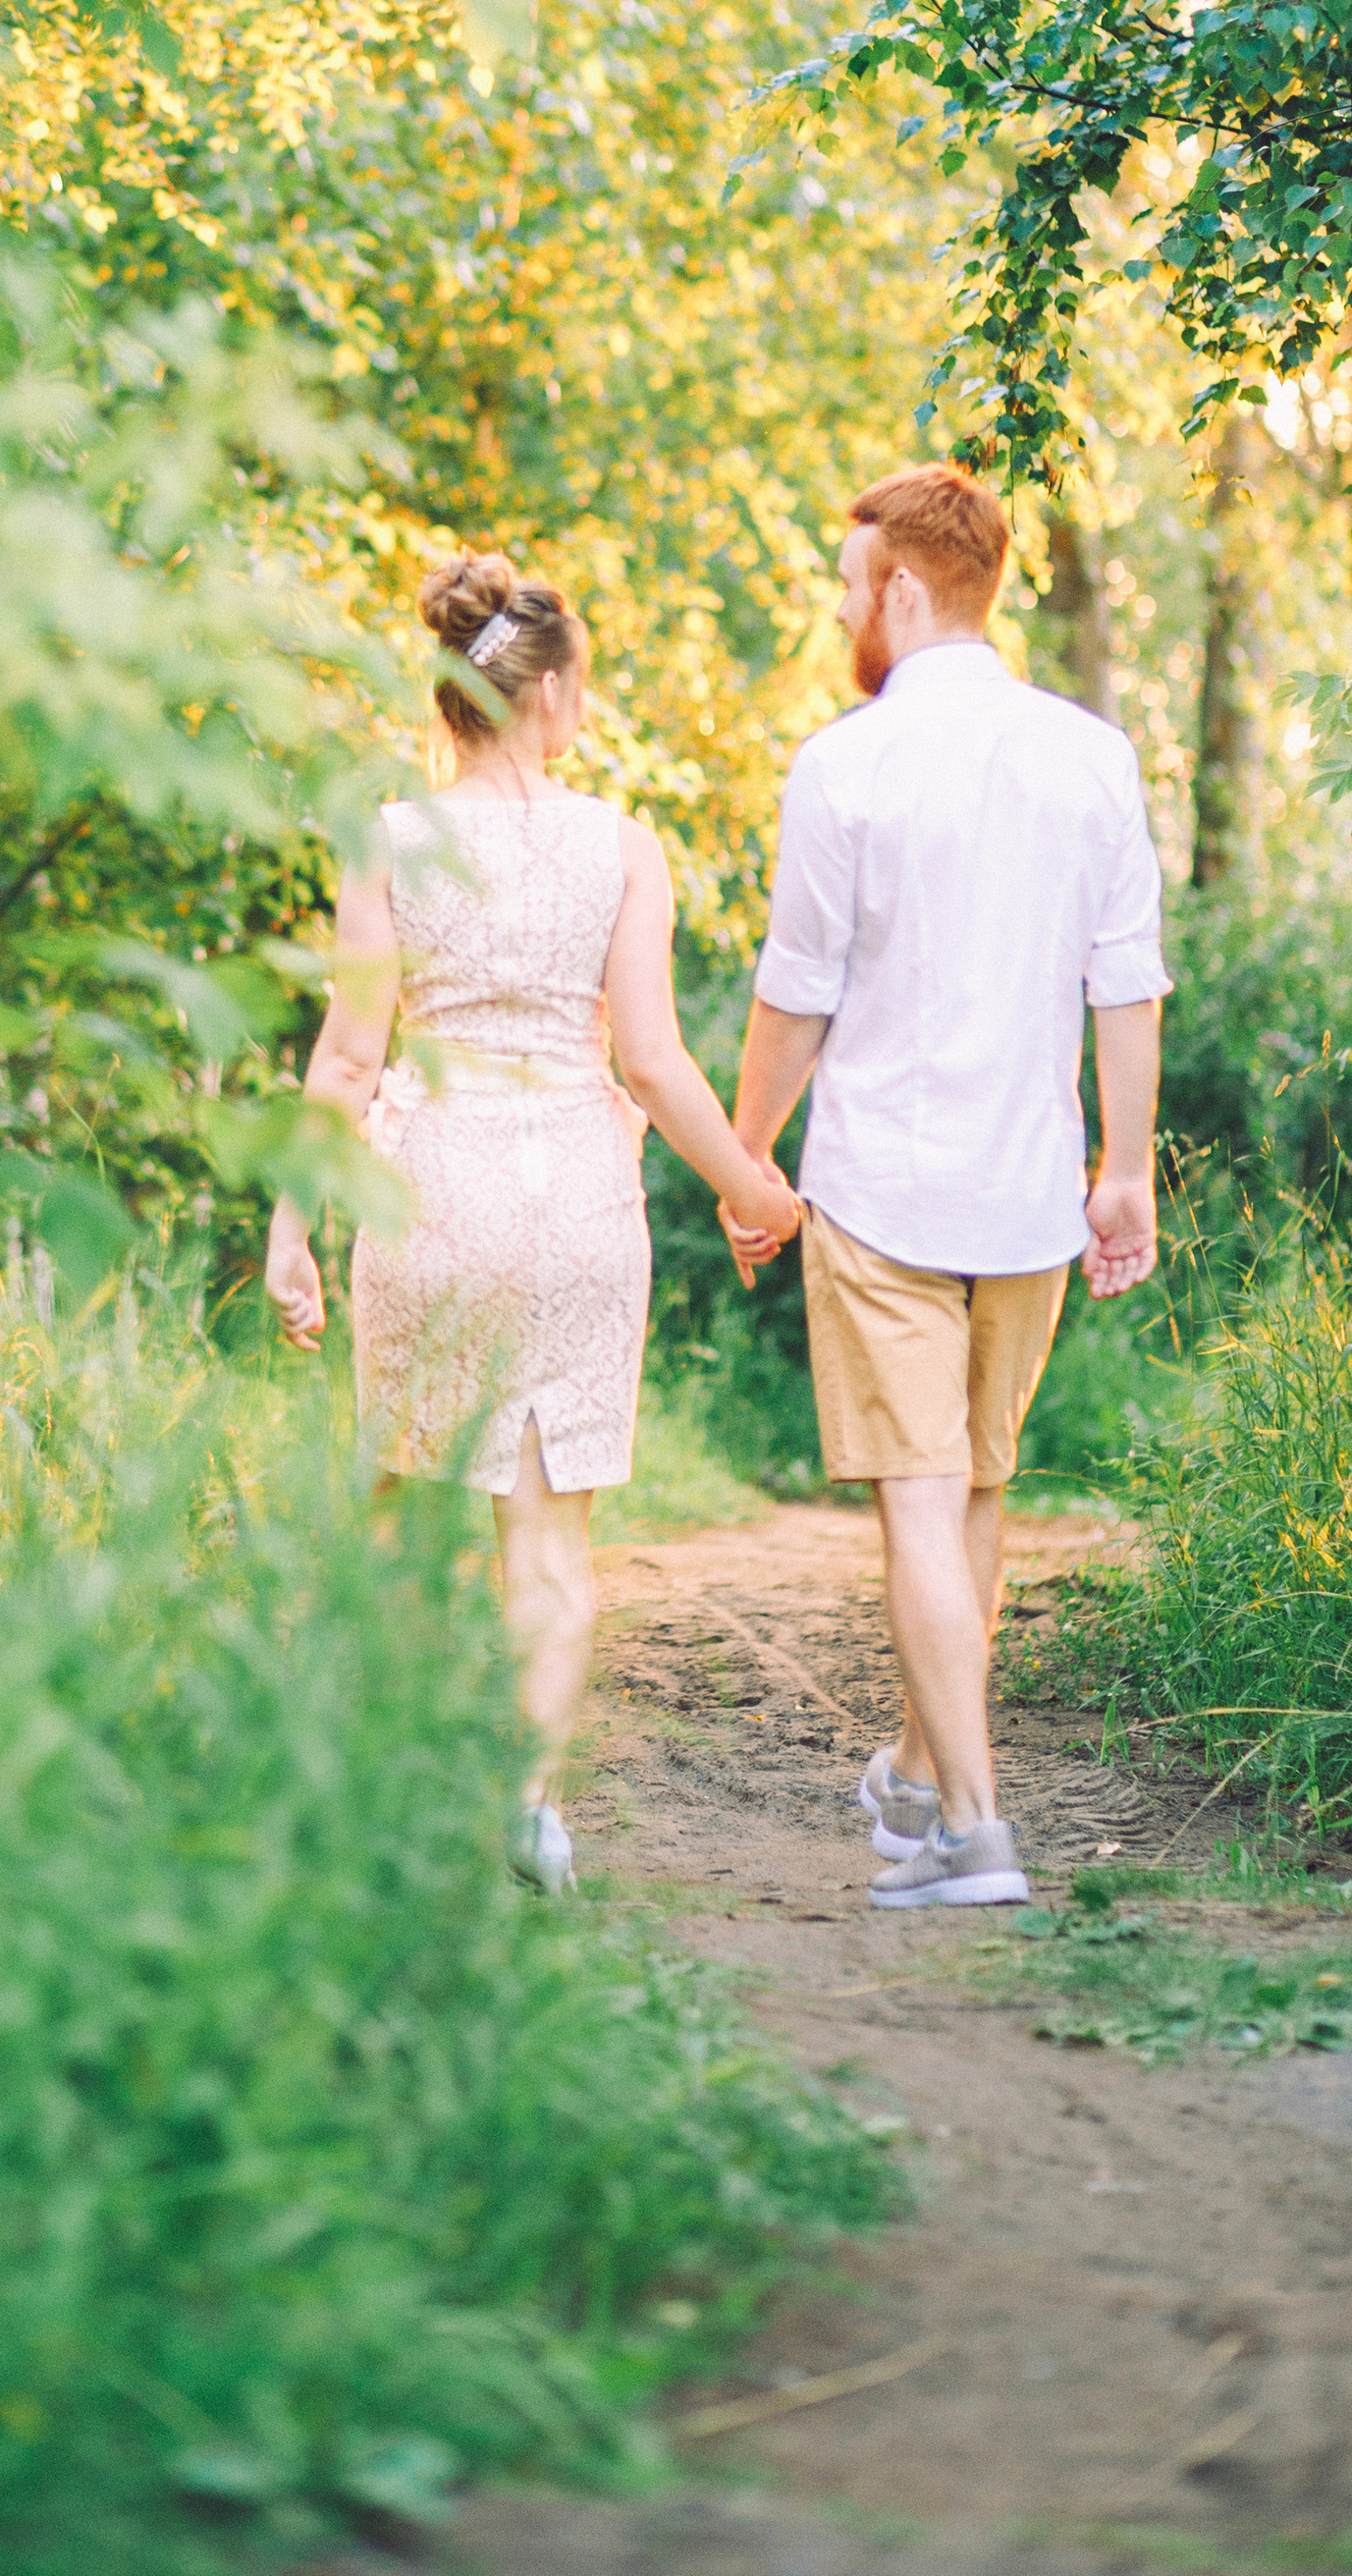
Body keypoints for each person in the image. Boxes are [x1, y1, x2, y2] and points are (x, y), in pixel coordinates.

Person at [264, 548, 800, 1892]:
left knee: (400, 1501)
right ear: (552, 695)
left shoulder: (388, 843)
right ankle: (529, 1811)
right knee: (548, 1538)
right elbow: (655, 1065)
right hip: (571, 1198)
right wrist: (752, 1187)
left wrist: (291, 1228)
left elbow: (341, 1059)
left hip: (430, 1192)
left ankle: (381, 1786)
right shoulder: (620, 849)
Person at [723, 462, 1167, 1908]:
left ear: (903, 590)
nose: (845, 611)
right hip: (1031, 1192)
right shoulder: (1092, 755)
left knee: (921, 1501)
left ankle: (975, 1829)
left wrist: (747, 1158)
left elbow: (797, 997)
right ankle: (919, 1778)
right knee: (973, 1490)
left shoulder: (846, 764)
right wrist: (1126, 1169)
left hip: (886, 1192)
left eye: (851, 587)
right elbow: (1127, 984)